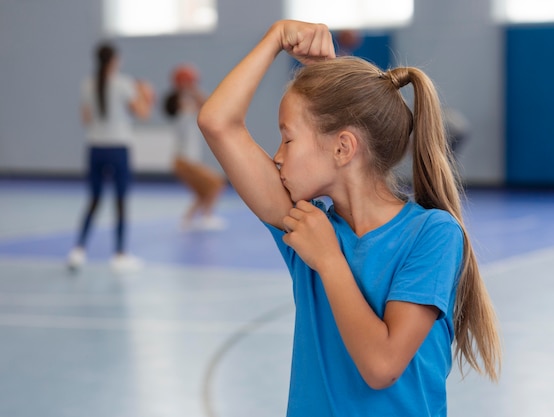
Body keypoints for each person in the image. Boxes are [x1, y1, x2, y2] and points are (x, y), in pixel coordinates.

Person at [197, 20, 501, 416]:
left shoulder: (432, 234)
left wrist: (329, 260)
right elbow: (217, 122)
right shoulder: (304, 223)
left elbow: (381, 366)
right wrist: (275, 38)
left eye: (287, 138)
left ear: (343, 148)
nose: (277, 156)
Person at [67, 41, 154, 272]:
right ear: (115, 60)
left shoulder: (87, 84)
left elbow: (85, 119)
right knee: (120, 201)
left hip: (95, 147)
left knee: (94, 200)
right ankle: (120, 253)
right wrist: (146, 95)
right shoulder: (124, 84)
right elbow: (143, 113)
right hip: (118, 147)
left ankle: (78, 249)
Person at [163, 64, 227, 231]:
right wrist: (190, 88)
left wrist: (188, 88)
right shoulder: (183, 115)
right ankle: (207, 217)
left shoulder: (184, 114)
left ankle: (187, 219)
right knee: (216, 182)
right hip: (185, 161)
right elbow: (207, 105)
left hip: (183, 161)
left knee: (203, 191)